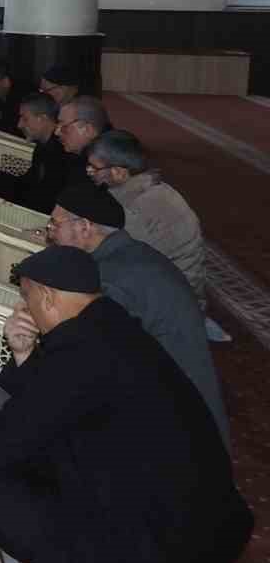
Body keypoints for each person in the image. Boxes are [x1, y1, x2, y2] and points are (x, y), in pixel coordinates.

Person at [0, 245, 252, 563]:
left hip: (161, 538)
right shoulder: (107, 325)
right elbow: (52, 404)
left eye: (26, 297)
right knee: (7, 456)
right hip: (193, 516)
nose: (22, 308)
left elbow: (19, 427)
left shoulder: (86, 350)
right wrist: (22, 353)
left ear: (47, 297)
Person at [48, 181, 228, 440]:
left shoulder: (114, 278)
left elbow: (90, 358)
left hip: (175, 428)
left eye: (55, 224)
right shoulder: (131, 255)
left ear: (84, 227)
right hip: (179, 408)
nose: (50, 232)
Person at [85, 129, 225, 339]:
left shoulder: (136, 211)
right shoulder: (151, 190)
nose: (88, 172)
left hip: (175, 307)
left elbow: (113, 261)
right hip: (179, 292)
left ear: (119, 173)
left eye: (94, 168)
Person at [0, 94, 74, 215]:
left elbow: (43, 199)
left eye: (25, 119)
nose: (19, 125)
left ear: (42, 119)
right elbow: (26, 185)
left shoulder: (62, 153)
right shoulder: (42, 146)